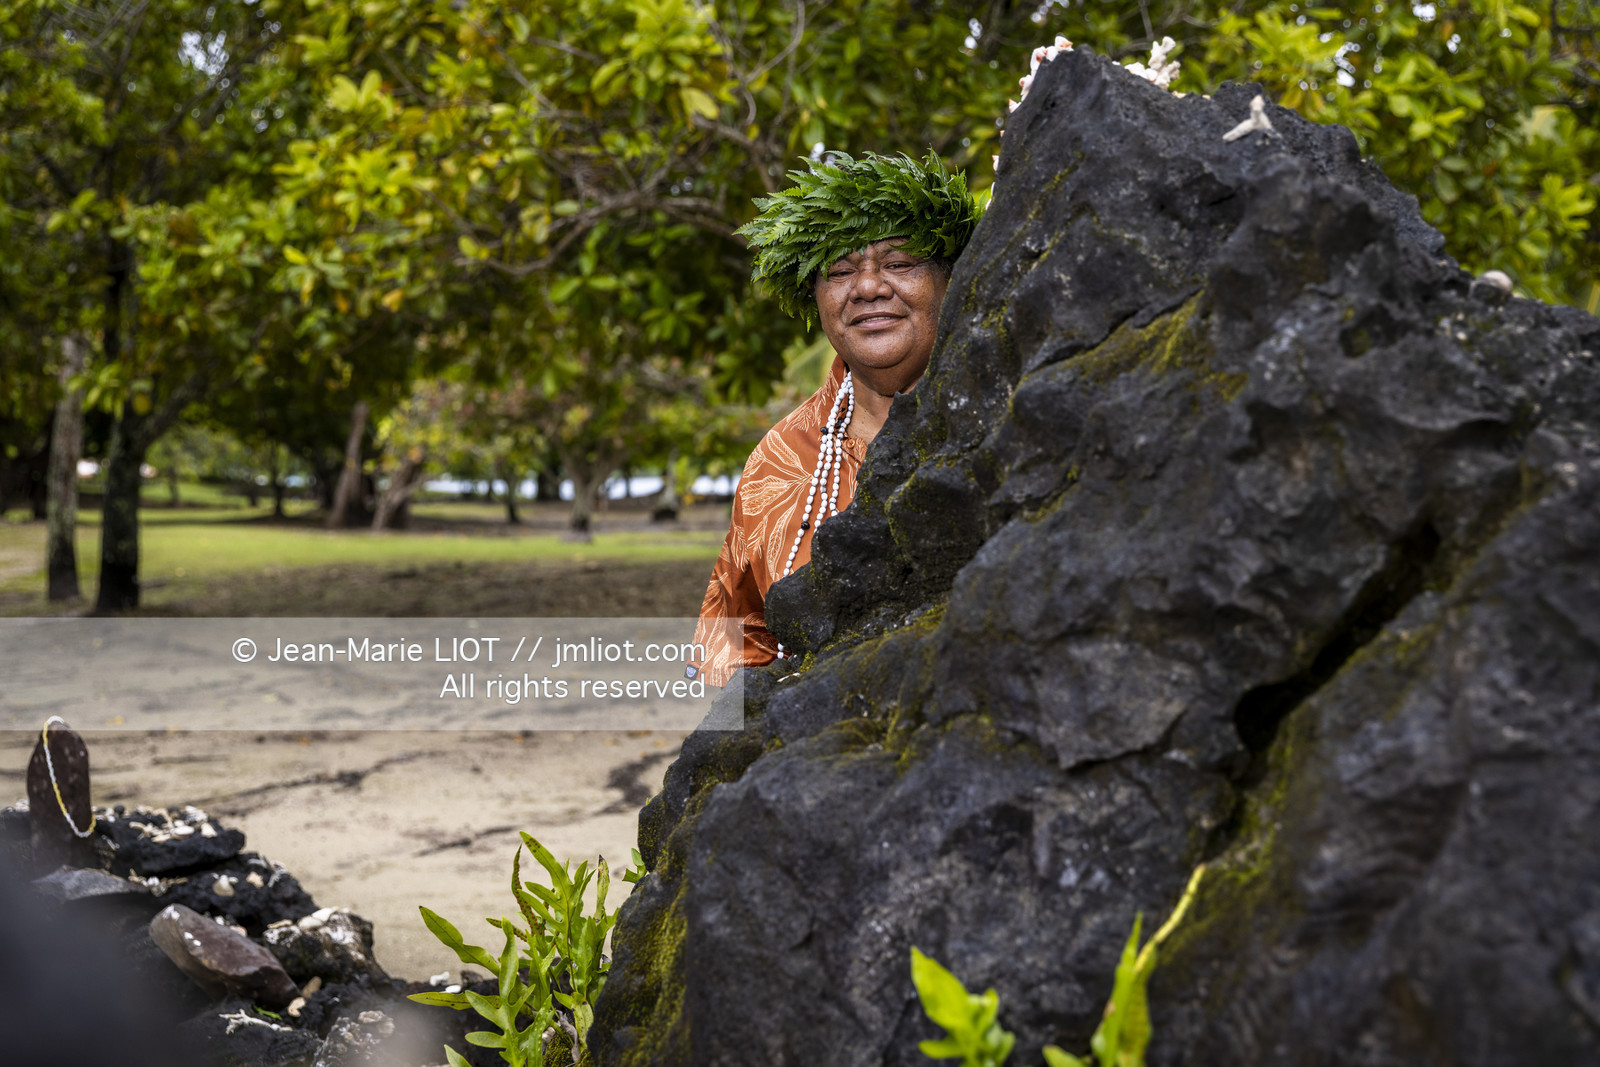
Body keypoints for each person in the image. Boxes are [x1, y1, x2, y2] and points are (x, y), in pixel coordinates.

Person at [689, 152, 979, 685]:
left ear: (950, 281)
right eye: (840, 271)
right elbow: (736, 641)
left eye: (899, 263)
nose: (867, 287)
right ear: (816, 298)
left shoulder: (1004, 418)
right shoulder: (780, 460)